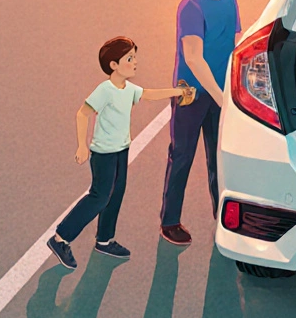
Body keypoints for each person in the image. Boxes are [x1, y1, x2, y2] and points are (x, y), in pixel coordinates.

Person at [47, 37, 191, 270]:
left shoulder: (129, 89)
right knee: (99, 196)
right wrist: (82, 146)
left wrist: (179, 91)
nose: (135, 62)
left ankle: (105, 240)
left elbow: (150, 94)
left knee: (116, 195)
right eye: (129, 58)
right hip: (103, 154)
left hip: (121, 151)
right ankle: (60, 238)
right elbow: (82, 114)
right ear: (113, 65)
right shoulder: (105, 90)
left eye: (135, 57)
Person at [160, 0, 242, 247]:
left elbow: (234, 43)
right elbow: (193, 58)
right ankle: (169, 222)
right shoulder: (191, 6)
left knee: (218, 159)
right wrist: (221, 97)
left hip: (220, 92)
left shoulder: (230, 0)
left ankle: (221, 217)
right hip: (192, 95)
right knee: (182, 156)